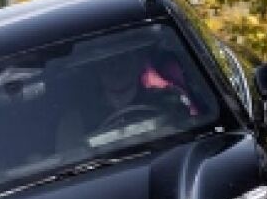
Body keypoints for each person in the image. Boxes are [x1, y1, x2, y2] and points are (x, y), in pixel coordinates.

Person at [55, 47, 195, 153]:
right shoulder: (74, 121)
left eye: (123, 59)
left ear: (138, 62)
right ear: (96, 71)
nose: (116, 68)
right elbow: (70, 169)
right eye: (107, 63)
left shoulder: (168, 100)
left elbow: (189, 141)